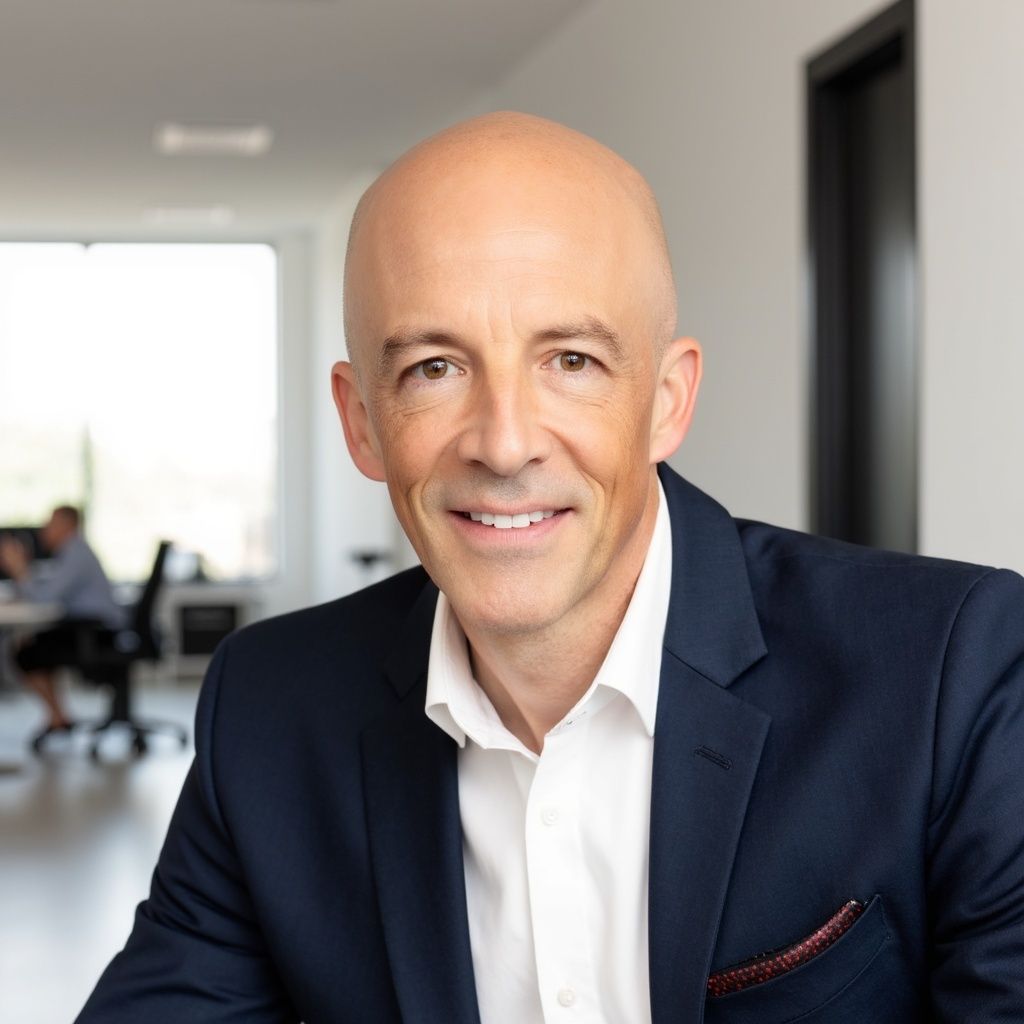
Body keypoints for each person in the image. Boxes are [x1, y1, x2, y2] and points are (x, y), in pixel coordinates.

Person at [76, 113, 1024, 1022]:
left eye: (570, 359)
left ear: (666, 400)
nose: (504, 442)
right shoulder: (272, 710)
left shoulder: (955, 674)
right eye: (433, 369)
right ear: (360, 420)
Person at [0, 505, 125, 748]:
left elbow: (44, 597)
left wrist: (19, 570)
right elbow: (45, 590)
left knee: (26, 653)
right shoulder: (69, 554)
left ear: (69, 525)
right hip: (90, 629)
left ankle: (59, 716)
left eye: (51, 524)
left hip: (96, 633)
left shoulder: (76, 553)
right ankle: (58, 716)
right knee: (32, 647)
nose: (45, 530)